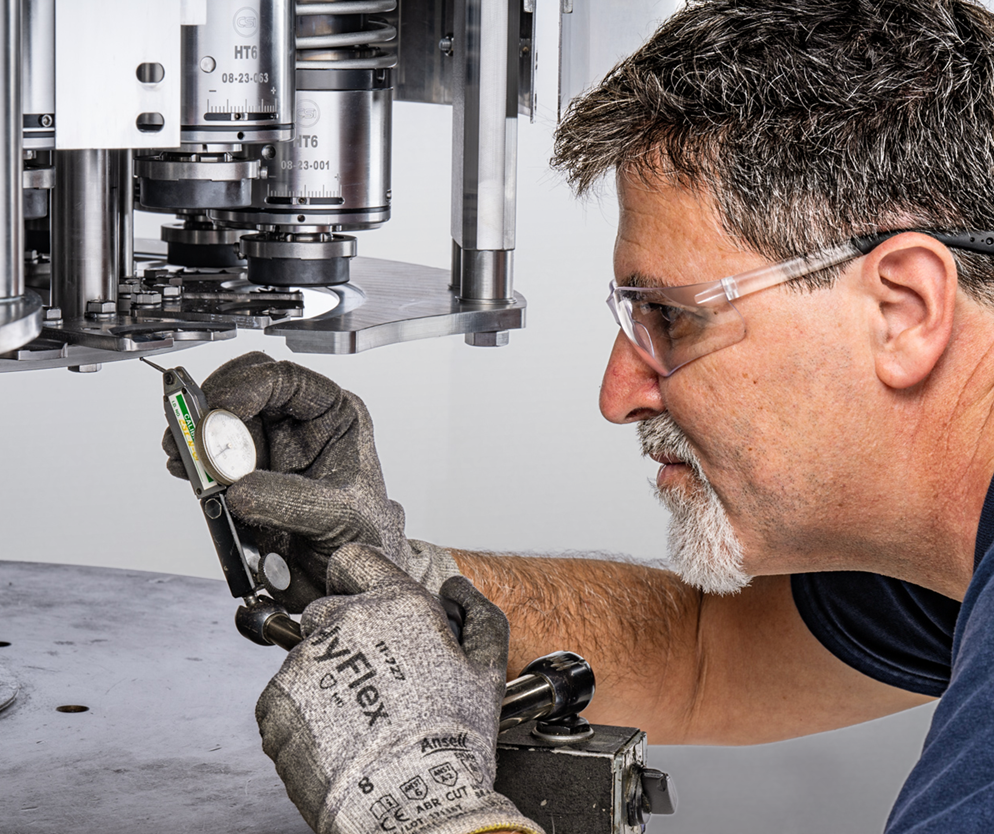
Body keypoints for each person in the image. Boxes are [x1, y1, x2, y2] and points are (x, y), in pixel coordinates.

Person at [167, 0, 994, 831]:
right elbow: (703, 654)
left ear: (904, 309)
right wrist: (378, 568)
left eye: (671, 317)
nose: (618, 396)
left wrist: (422, 808)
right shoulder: (942, 553)